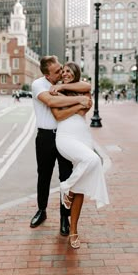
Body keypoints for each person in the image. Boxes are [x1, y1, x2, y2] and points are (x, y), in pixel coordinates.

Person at [31, 56, 92, 236]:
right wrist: (79, 100)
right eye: (57, 71)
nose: (61, 72)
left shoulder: (63, 86)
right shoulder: (38, 85)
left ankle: (64, 218)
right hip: (45, 136)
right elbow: (52, 102)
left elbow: (86, 87)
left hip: (65, 136)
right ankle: (41, 210)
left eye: (61, 69)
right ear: (47, 75)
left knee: (66, 178)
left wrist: (67, 90)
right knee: (44, 175)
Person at [50, 62, 109, 249]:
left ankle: (74, 230)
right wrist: (77, 102)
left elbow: (86, 103)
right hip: (65, 136)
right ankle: (66, 187)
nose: (66, 73)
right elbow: (58, 116)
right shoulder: (54, 92)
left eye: (69, 71)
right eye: (64, 71)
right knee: (92, 160)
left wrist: (64, 90)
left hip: (83, 136)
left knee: (82, 183)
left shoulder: (77, 89)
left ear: (75, 75)